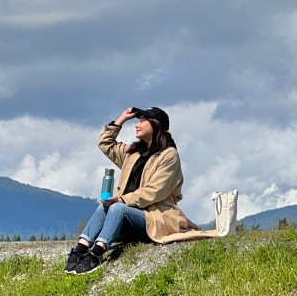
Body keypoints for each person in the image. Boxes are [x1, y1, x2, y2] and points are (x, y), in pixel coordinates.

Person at [65, 106, 208, 275]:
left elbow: (155, 191)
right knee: (105, 206)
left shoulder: (169, 155)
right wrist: (121, 120)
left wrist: (122, 200)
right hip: (131, 218)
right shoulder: (132, 152)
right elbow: (105, 143)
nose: (136, 125)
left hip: (155, 219)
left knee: (116, 207)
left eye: (142, 121)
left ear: (155, 125)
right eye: (137, 121)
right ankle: (80, 250)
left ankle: (96, 254)